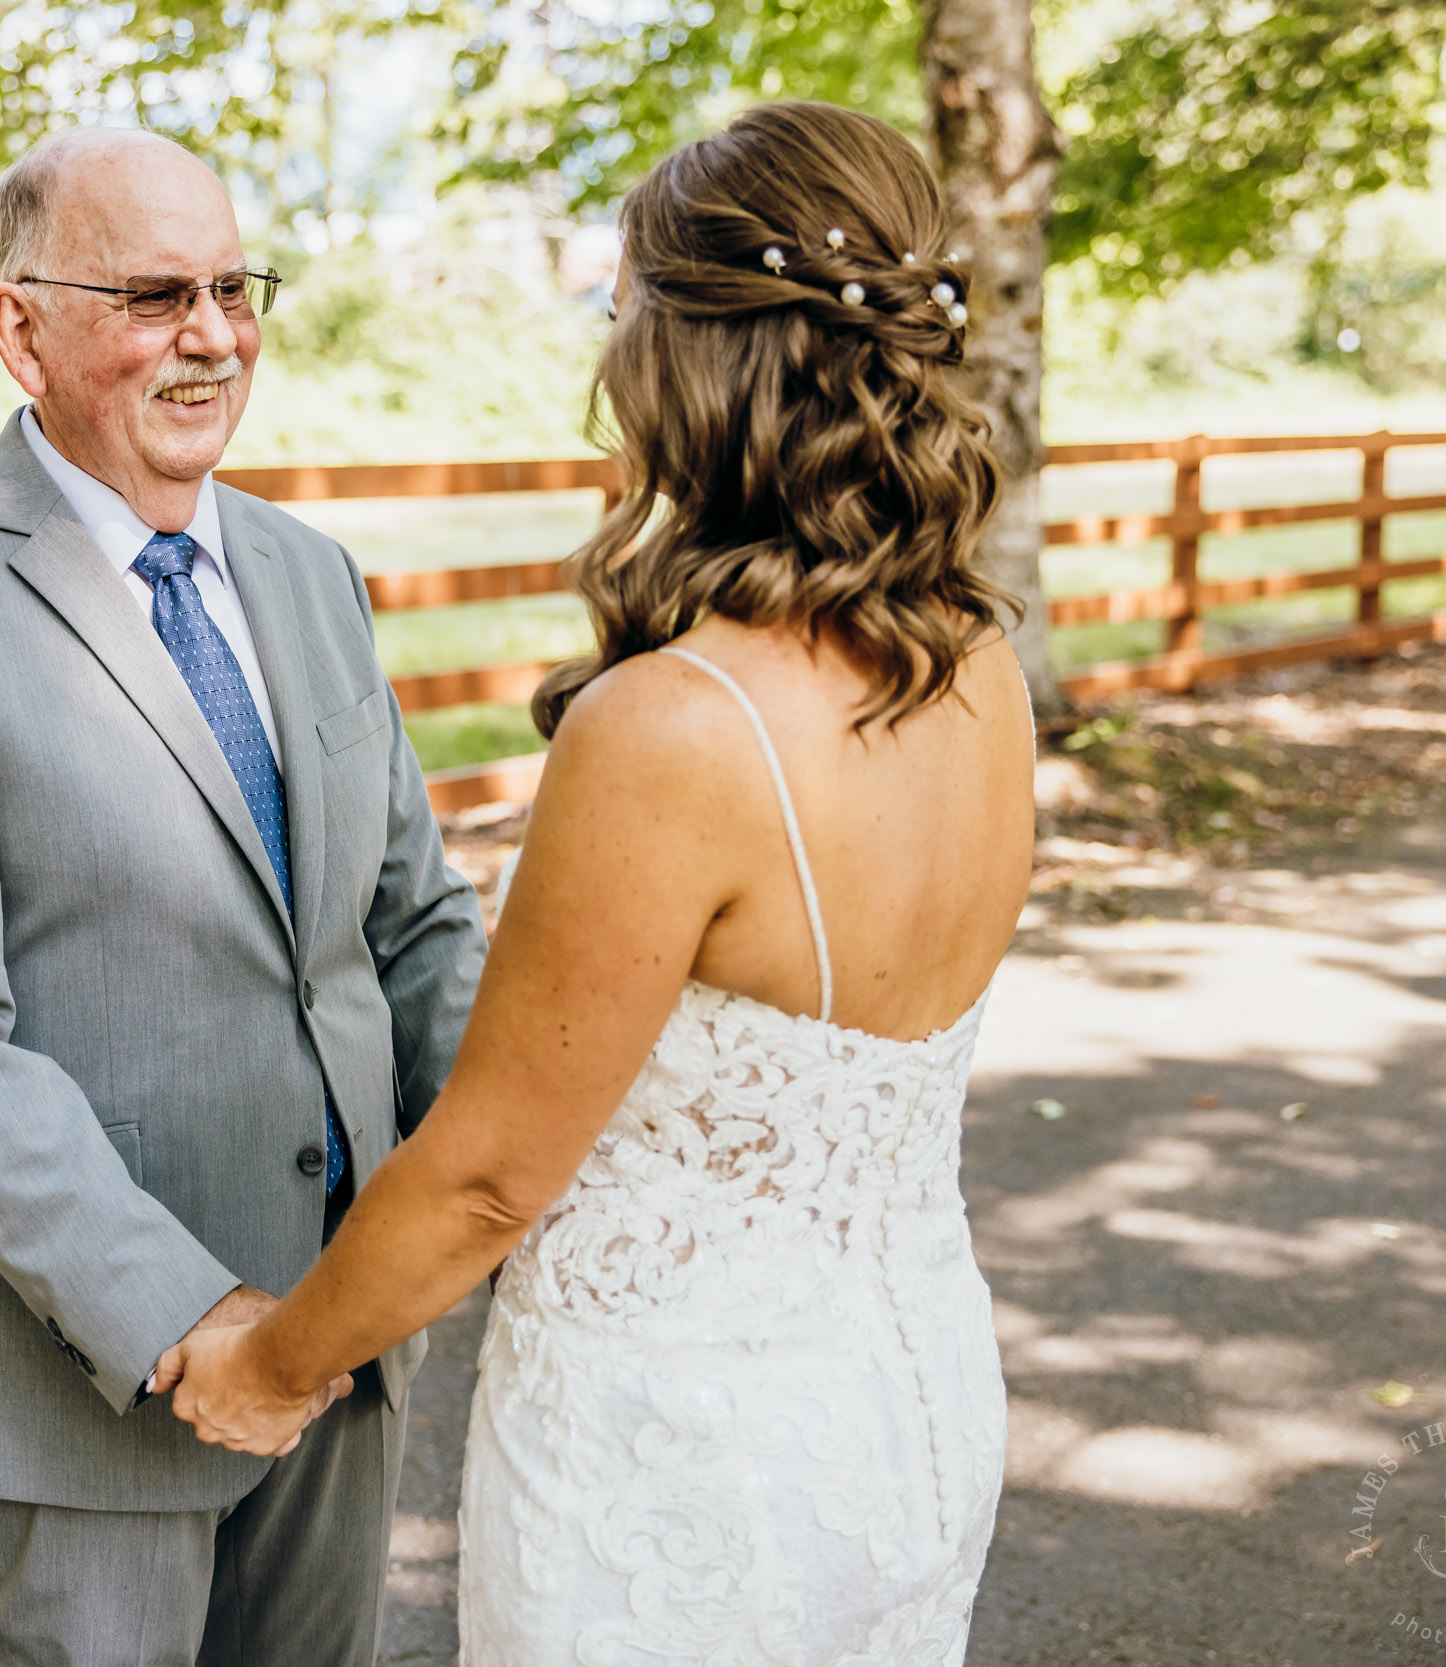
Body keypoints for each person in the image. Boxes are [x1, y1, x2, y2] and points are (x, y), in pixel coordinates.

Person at [160, 101, 1034, 1664]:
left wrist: (275, 1364)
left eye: (620, 307)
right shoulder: (977, 665)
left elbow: (494, 1172)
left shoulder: (674, 728)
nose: (608, 353)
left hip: (683, 1463)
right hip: (909, 1404)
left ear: (691, 351)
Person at [0, 128, 487, 1666]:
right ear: (19, 328)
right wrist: (189, 1319)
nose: (217, 338)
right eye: (158, 295)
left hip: (344, 1337)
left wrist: (517, 1180)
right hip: (89, 1369)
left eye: (239, 288)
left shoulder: (311, 572)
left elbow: (414, 926)